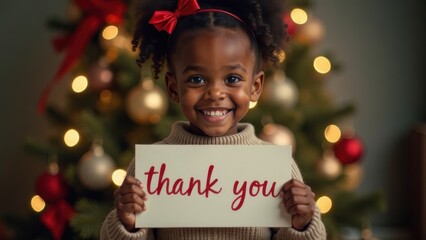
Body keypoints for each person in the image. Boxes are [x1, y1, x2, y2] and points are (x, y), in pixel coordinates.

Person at [101, 0, 327, 239]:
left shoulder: (277, 170)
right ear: (173, 87)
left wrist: (302, 225)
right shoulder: (150, 171)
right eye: (197, 79)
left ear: (256, 86)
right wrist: (126, 223)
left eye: (232, 79)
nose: (215, 93)